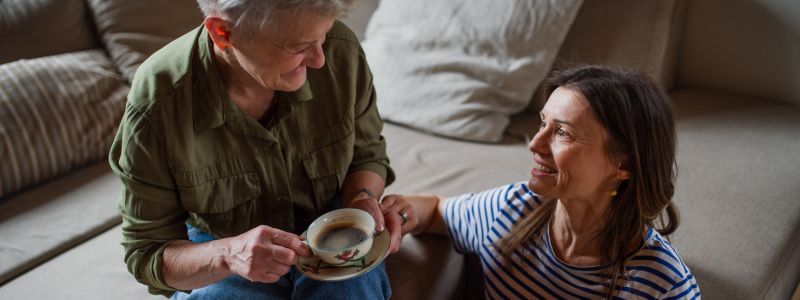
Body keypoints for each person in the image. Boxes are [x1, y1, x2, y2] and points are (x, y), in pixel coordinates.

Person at [109, 0, 408, 298]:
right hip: (220, 243)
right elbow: (147, 252)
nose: (319, 59)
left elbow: (367, 155)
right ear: (223, 33)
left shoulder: (340, 52)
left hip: (330, 221)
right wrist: (227, 255)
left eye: (323, 37)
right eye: (298, 47)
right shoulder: (158, 101)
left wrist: (361, 200)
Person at [381, 66, 701, 299]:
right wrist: (403, 211)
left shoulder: (664, 287)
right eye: (542, 124)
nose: (534, 144)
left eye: (562, 132)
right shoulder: (511, 210)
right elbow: (438, 211)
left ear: (625, 163)